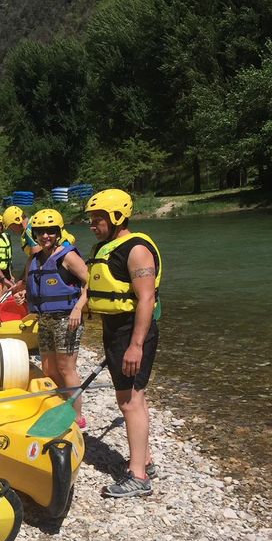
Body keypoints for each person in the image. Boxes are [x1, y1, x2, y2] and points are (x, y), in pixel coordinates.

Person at [85, 188, 162, 498]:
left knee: (130, 402)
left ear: (117, 216)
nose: (92, 224)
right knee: (135, 399)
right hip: (115, 331)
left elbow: (146, 298)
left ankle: (138, 476)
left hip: (132, 331)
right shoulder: (108, 247)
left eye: (98, 218)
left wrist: (136, 345)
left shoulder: (137, 250)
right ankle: (145, 459)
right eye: (91, 219)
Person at [13, 208, 90, 428]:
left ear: (58, 232)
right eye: (41, 231)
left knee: (67, 368)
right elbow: (31, 286)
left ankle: (76, 416)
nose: (45, 235)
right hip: (45, 319)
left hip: (67, 318)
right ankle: (59, 406)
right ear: (34, 234)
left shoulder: (67, 256)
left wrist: (78, 308)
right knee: (48, 367)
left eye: (50, 231)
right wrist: (24, 295)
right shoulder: (34, 259)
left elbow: (90, 282)